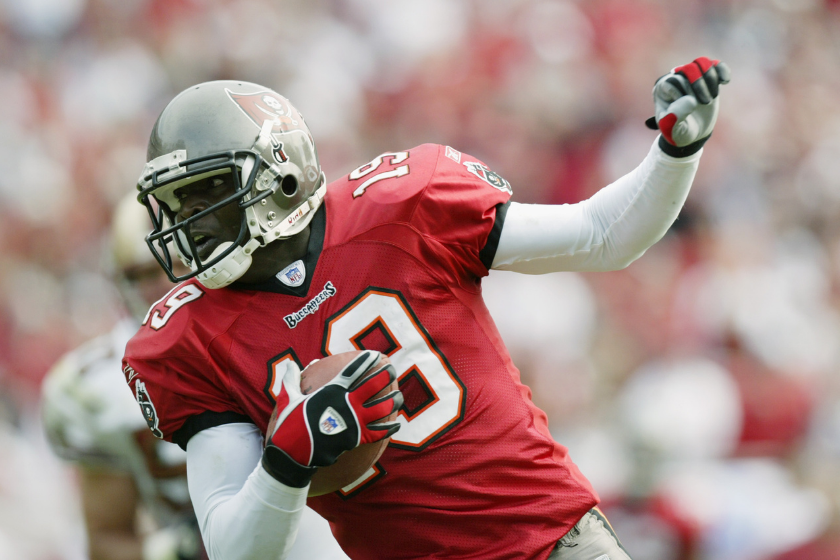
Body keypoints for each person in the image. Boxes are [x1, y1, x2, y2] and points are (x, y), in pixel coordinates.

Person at [123, 57, 730, 559]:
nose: (189, 225)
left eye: (207, 193)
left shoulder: (403, 206)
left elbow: (602, 234)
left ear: (280, 175)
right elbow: (235, 551)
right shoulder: (185, 339)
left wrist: (675, 154)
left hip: (552, 541)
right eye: (176, 205)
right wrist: (289, 460)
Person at [41, 195, 206, 560]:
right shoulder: (95, 389)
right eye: (143, 273)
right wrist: (177, 551)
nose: (164, 285)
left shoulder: (261, 325)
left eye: (176, 264)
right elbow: (107, 537)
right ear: (120, 281)